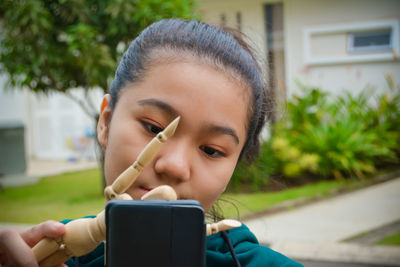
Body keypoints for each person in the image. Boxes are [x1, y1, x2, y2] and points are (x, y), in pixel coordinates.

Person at [0, 19, 303, 267]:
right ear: (105, 122)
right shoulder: (45, 256)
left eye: (211, 150)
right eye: (153, 127)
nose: (173, 166)